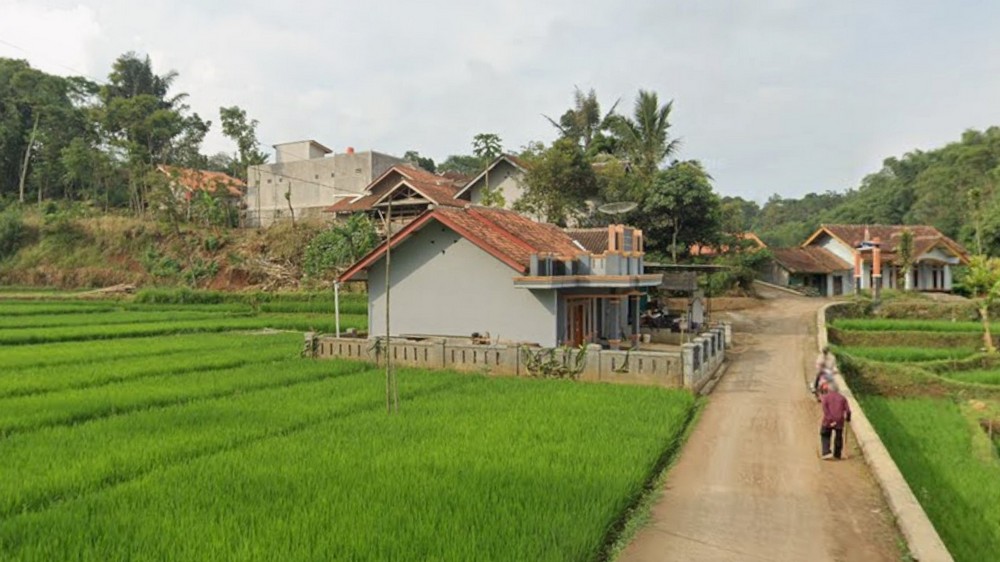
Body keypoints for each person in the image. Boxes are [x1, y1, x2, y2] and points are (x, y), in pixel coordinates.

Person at [819, 383, 851, 460]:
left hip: (828, 420)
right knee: (838, 436)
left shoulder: (826, 397)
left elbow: (825, 410)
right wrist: (848, 418)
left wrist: (830, 419)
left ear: (829, 389)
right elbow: (848, 411)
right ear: (837, 390)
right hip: (839, 420)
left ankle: (826, 452)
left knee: (825, 434)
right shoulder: (843, 398)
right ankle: (837, 454)